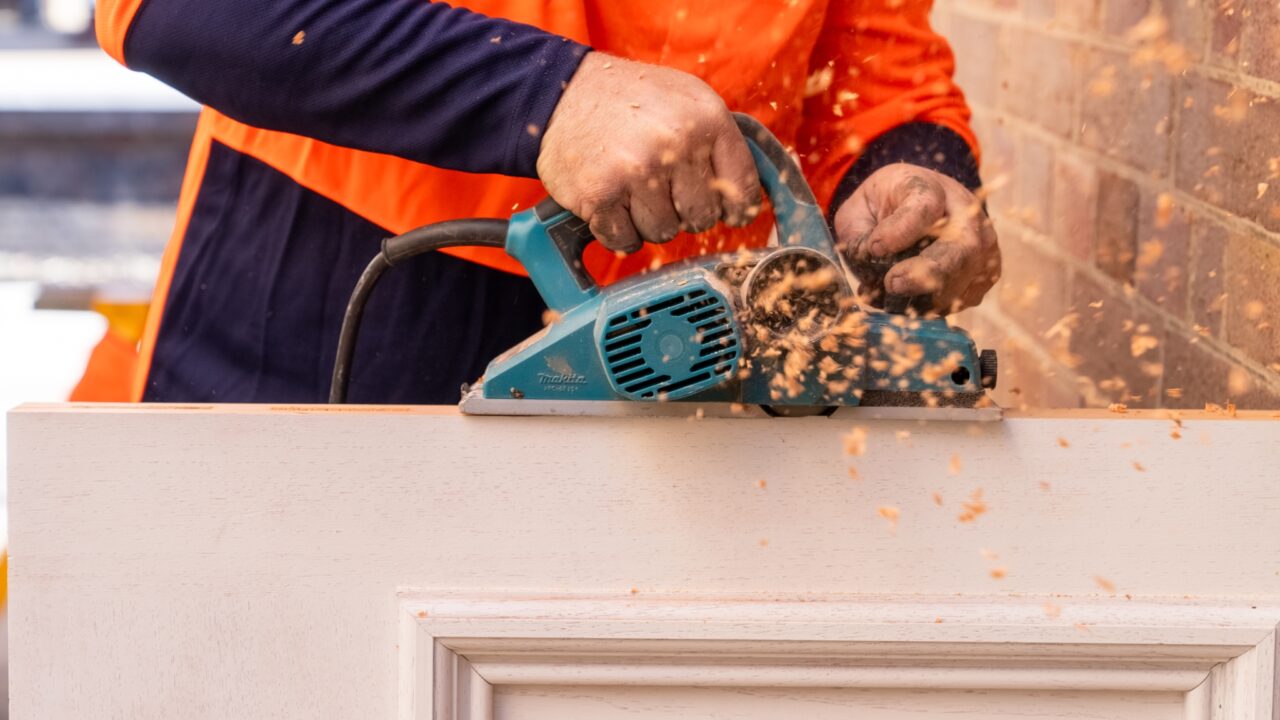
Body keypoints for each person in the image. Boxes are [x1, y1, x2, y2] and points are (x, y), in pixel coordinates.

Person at [93, 0, 1001, 403]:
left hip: (703, 339)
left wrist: (916, 173)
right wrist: (548, 98)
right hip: (348, 281)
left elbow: (874, 72)